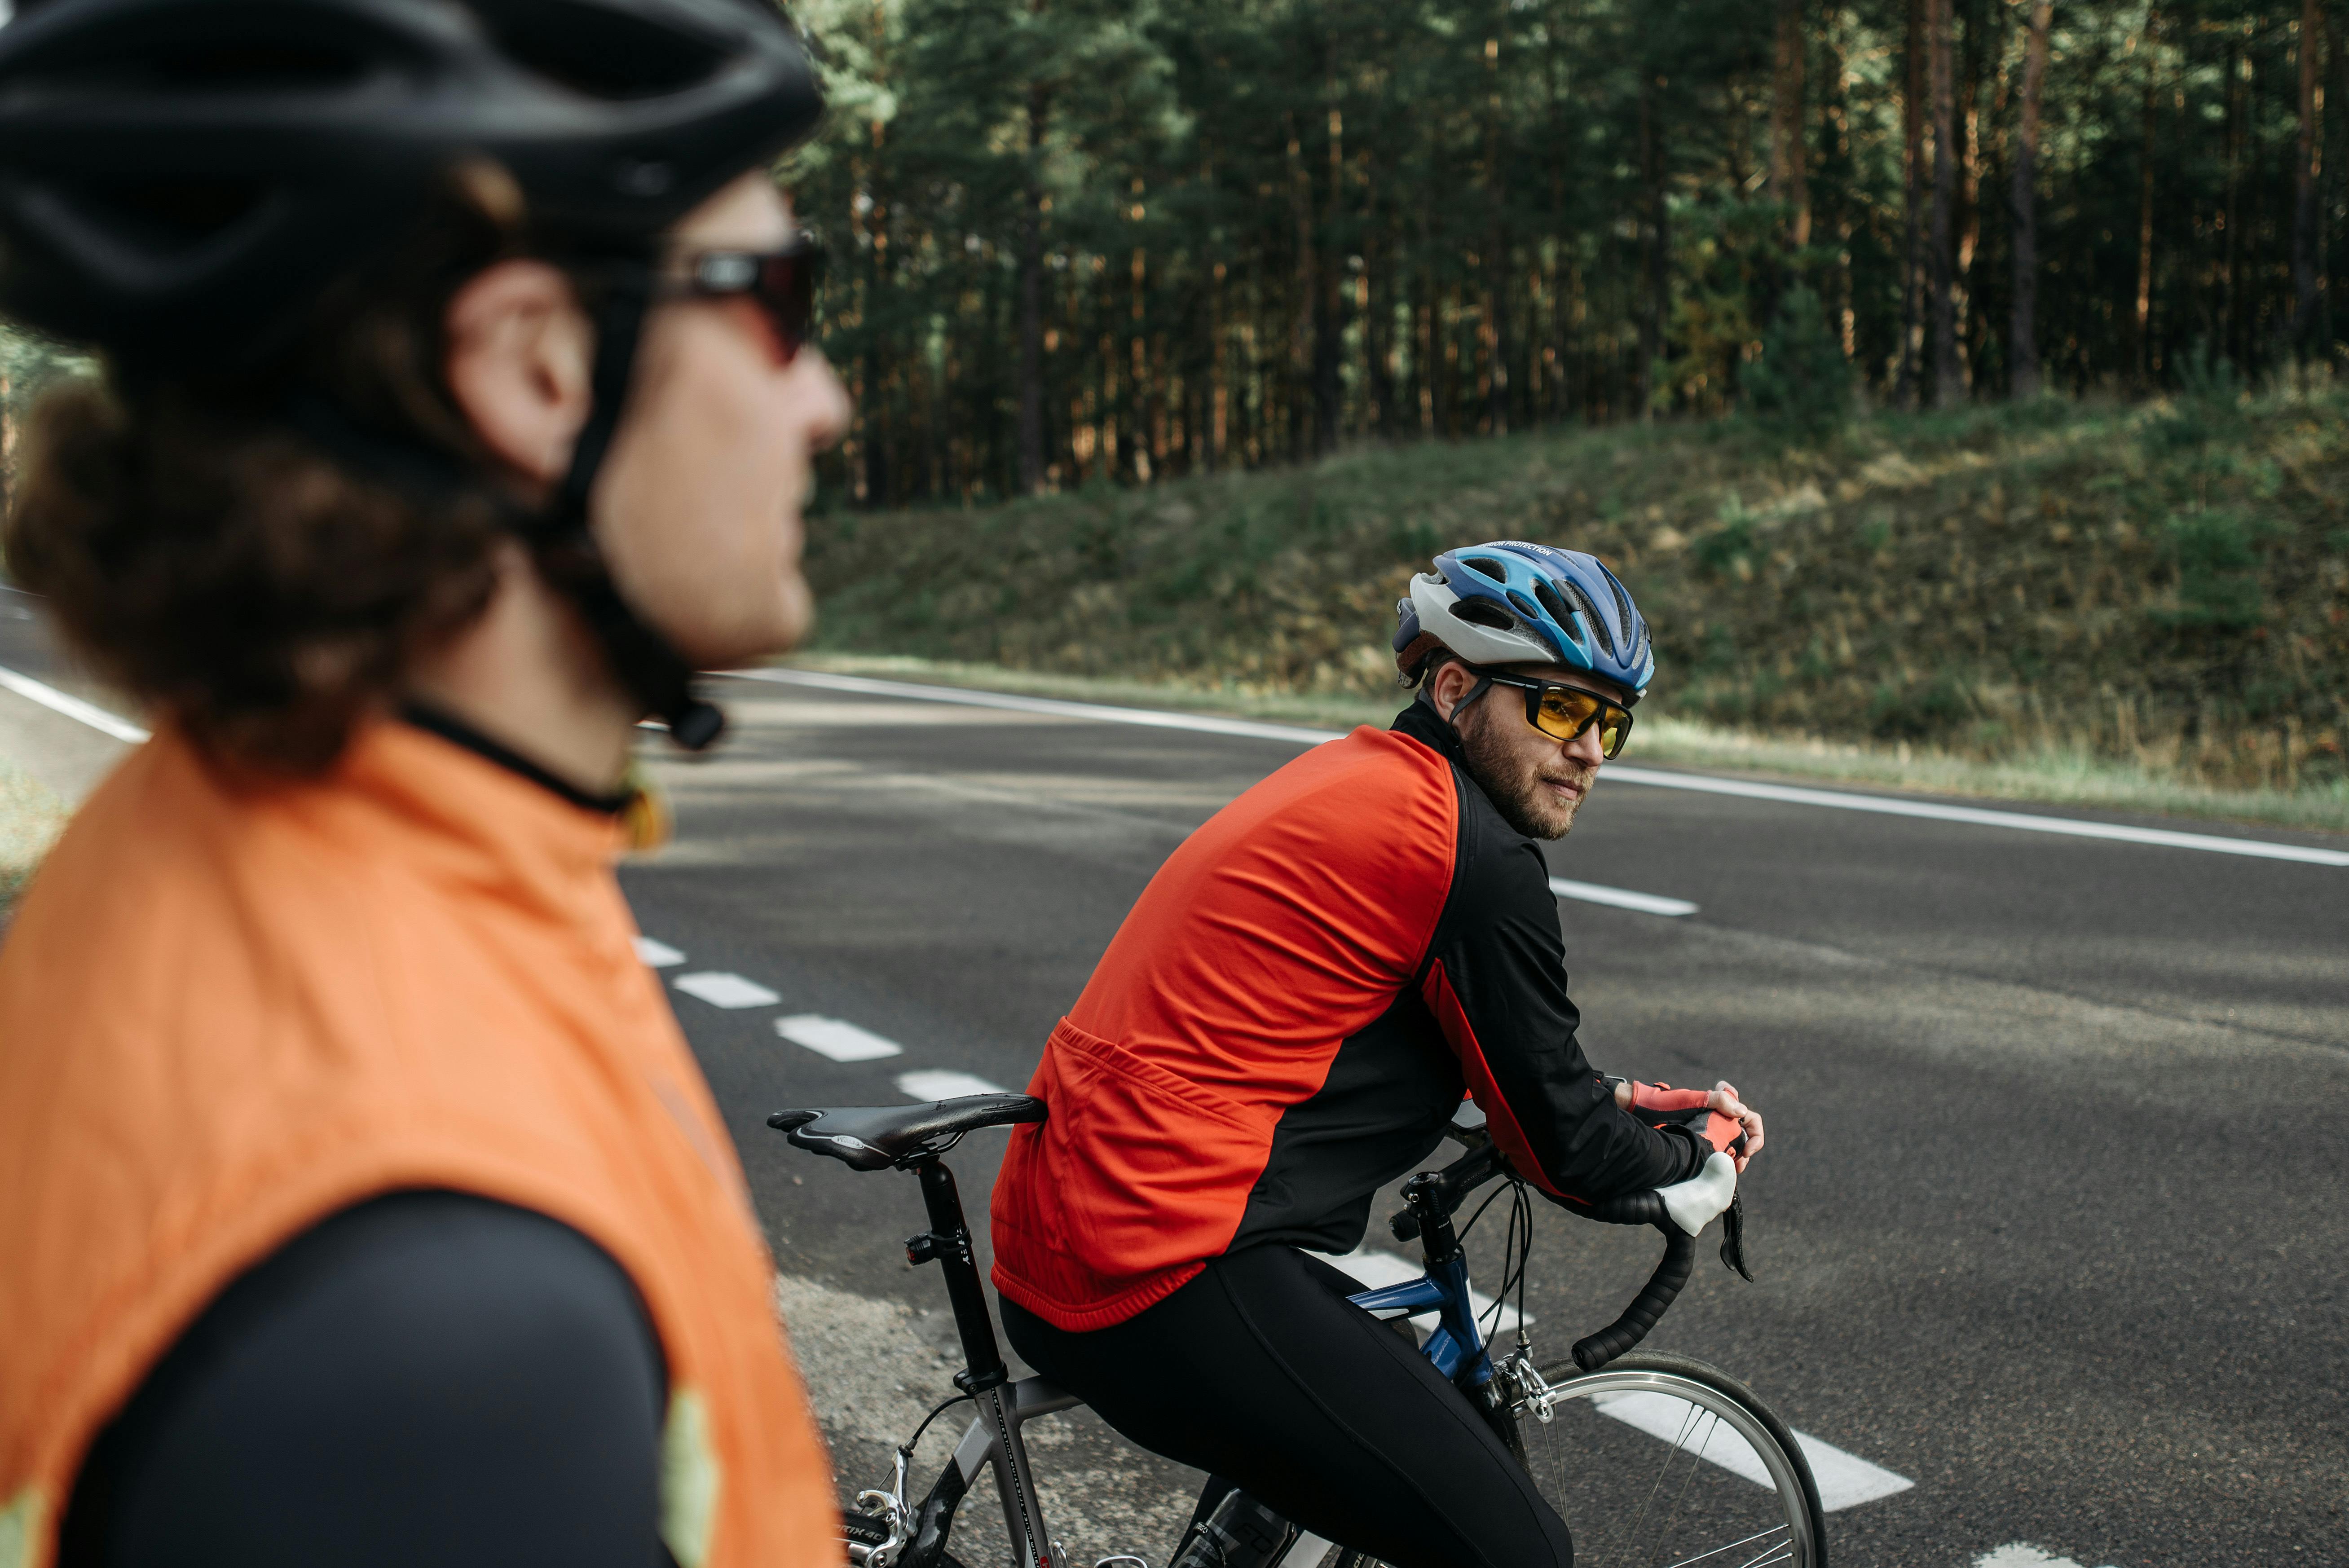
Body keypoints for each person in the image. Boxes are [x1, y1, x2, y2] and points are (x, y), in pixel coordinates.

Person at [0, 0, 851, 1564]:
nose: (824, 402)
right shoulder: (436, 1315)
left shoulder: (237, 835)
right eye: (780, 303)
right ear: (532, 368)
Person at [989, 540, 1767, 1568]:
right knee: (1515, 1552)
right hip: (1155, 1258)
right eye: (1559, 710)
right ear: (1454, 687)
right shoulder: (1468, 856)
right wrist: (1690, 1171)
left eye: (1611, 721)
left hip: (1073, 1222)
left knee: (1372, 1382)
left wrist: (1613, 1101)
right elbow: (1560, 1145)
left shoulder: (1356, 776)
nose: (1592, 751)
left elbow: (1423, 1037)